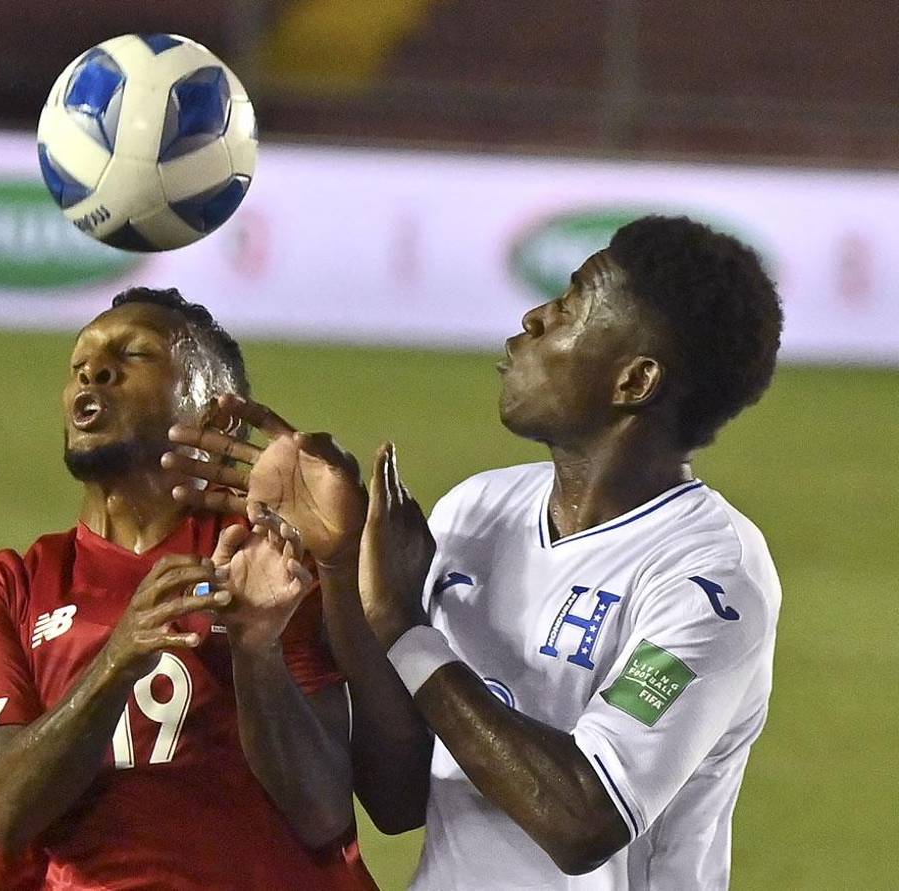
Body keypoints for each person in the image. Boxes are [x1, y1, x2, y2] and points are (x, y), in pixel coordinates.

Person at [165, 216, 784, 889]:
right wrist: (343, 567)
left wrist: (406, 628)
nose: (535, 317)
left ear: (634, 381)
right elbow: (397, 797)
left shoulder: (712, 578)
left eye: (572, 305)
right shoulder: (479, 509)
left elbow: (582, 819)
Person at [0, 287, 378, 890]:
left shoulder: (276, 561)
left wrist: (256, 647)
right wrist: (116, 660)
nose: (94, 371)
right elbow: (4, 815)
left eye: (133, 355)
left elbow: (325, 813)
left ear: (215, 413)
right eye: (80, 364)